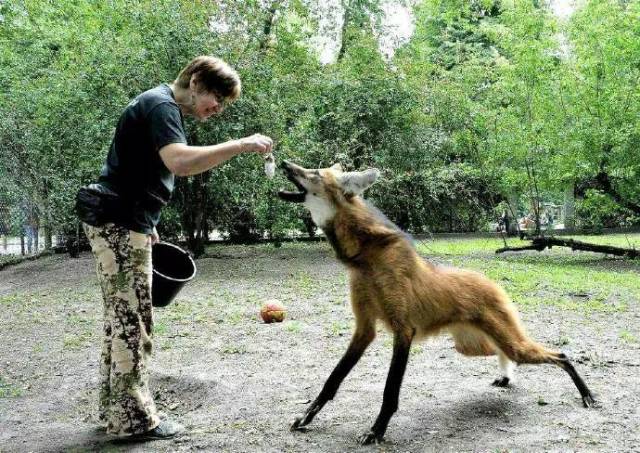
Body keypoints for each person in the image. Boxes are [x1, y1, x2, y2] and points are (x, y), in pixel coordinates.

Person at [77, 56, 273, 440]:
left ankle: (114, 410)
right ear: (196, 81)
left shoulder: (157, 105)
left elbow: (138, 171)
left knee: (122, 319)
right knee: (133, 323)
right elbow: (179, 162)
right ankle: (133, 421)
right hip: (118, 223)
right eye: (216, 98)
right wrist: (240, 144)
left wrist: (147, 223)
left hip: (123, 220)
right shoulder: (163, 105)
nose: (217, 108)